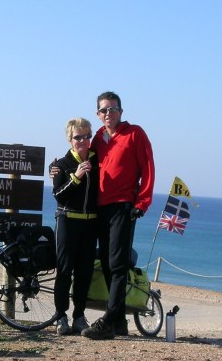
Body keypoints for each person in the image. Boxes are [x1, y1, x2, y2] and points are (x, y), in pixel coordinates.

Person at [81, 91, 155, 340]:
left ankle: (109, 321)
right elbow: (83, 162)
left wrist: (142, 202)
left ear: (121, 111)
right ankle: (120, 321)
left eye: (113, 109)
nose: (108, 114)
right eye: (104, 110)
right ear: (98, 114)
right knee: (109, 264)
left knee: (119, 264)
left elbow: (148, 169)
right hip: (100, 208)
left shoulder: (135, 133)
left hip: (124, 206)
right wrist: (57, 169)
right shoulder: (98, 139)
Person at [51, 117, 99, 335]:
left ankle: (79, 316)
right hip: (67, 221)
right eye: (78, 137)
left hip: (90, 224)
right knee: (64, 271)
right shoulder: (61, 165)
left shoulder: (98, 160)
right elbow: (58, 195)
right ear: (70, 139)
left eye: (87, 136)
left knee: (84, 273)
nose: (83, 140)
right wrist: (77, 177)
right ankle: (60, 316)